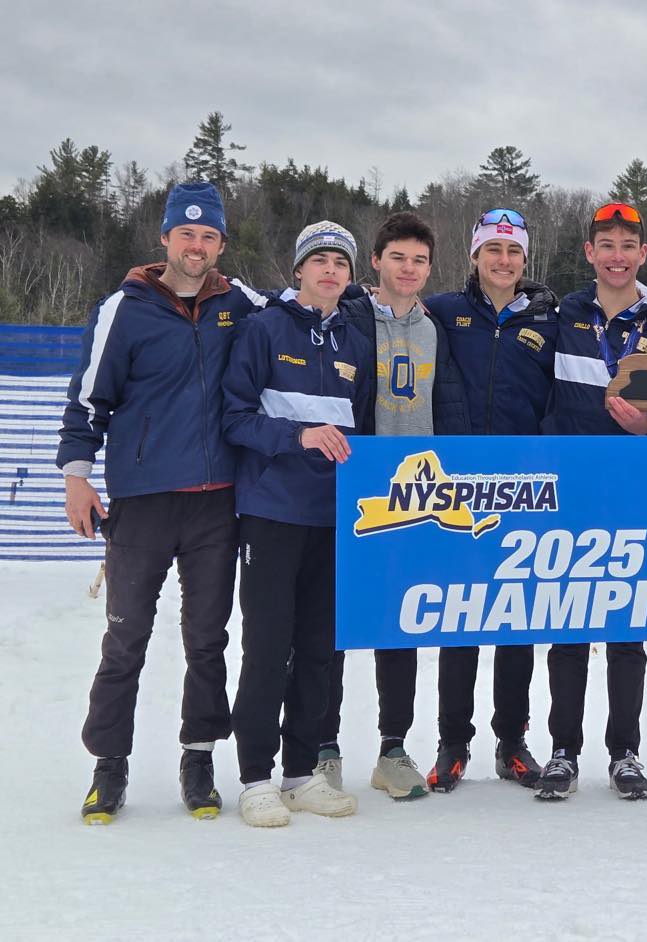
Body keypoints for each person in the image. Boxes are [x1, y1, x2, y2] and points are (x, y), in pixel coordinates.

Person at [58, 182, 273, 824]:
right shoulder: (123, 308)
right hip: (144, 502)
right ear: (165, 238)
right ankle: (108, 767)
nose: (197, 246)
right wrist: (76, 475)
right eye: (187, 234)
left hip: (216, 505)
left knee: (208, 639)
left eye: (209, 237)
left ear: (221, 245)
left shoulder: (243, 304)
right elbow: (88, 400)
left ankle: (199, 756)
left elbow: (304, 308)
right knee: (126, 640)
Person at [223, 221, 375, 828]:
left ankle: (300, 771)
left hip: (333, 517)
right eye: (320, 261)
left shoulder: (355, 342)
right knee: (267, 648)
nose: (331, 271)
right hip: (272, 512)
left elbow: (358, 431)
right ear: (299, 270)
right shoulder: (264, 330)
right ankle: (256, 778)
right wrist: (297, 436)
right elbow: (234, 418)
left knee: (319, 650)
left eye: (341, 262)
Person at [314, 212, 471, 800]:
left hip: (414, 493)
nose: (409, 269)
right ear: (376, 261)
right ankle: (322, 746)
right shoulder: (347, 316)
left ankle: (392, 747)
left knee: (397, 622)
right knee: (333, 621)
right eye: (398, 258)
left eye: (420, 260)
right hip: (354, 489)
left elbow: (448, 406)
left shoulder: (435, 326)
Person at [535, 202, 647, 801]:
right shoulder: (560, 314)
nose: (617, 255)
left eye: (629, 245)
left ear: (643, 254)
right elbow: (532, 393)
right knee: (568, 623)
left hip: (632, 490)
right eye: (607, 245)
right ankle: (563, 749)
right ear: (589, 253)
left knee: (626, 627)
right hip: (569, 487)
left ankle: (625, 750)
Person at [421, 208, 557, 792]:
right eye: (493, 251)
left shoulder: (548, 319)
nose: (504, 261)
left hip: (523, 485)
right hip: (457, 486)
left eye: (514, 252)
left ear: (526, 260)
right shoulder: (446, 311)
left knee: (516, 619)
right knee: (460, 616)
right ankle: (453, 742)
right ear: (475, 256)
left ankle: (513, 741)